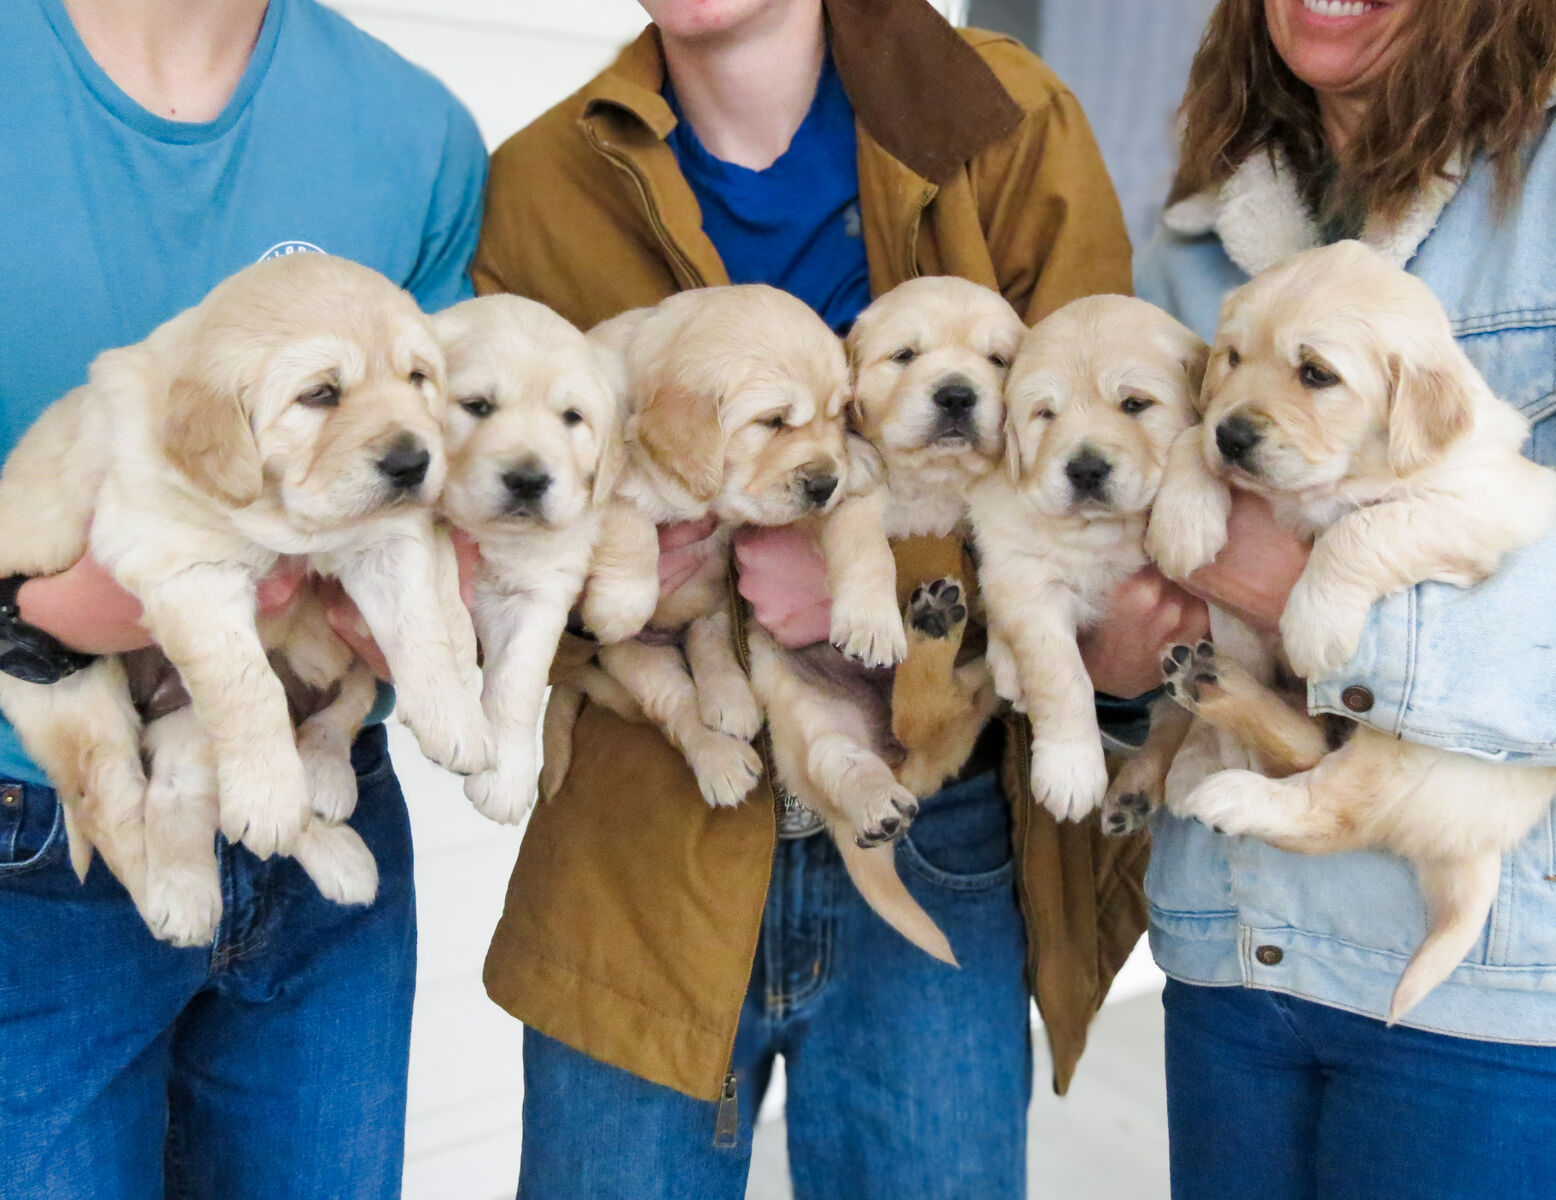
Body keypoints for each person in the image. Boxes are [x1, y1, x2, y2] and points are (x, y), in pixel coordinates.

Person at [471, 1, 1204, 1195]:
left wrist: (895, 581)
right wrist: (633, 592)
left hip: (938, 803)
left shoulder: (999, 115)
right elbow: (484, 505)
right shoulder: (546, 178)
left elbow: (1105, 467)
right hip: (643, 828)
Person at [0, 0, 485, 1195]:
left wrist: (442, 615)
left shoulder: (413, 130)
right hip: (38, 831)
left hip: (328, 810)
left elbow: (450, 464)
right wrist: (30, 610)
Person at [1130, 1, 1556, 1196]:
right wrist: (1123, 643)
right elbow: (1146, 603)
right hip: (1233, 953)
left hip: (1489, 995)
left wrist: (1305, 590)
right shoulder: (1202, 228)